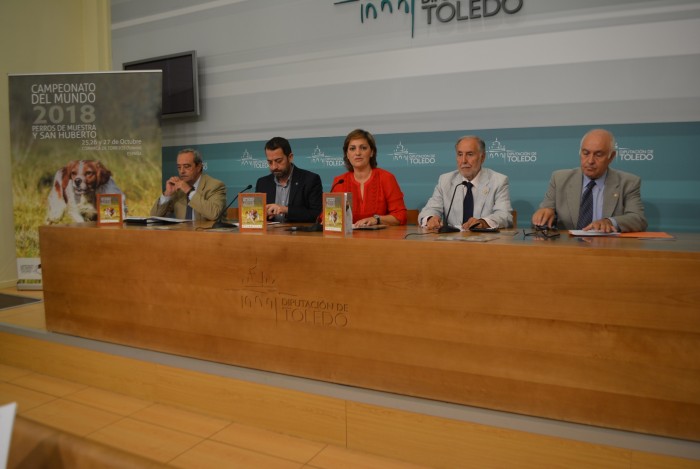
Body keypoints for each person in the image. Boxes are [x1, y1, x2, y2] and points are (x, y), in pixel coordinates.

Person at [531, 128, 647, 233]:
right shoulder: (559, 178)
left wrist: (610, 222)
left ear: (611, 157)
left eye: (598, 154)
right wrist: (543, 216)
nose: (590, 160)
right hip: (568, 249)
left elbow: (638, 219)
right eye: (585, 153)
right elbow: (546, 211)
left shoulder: (628, 182)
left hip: (608, 250)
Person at [419, 136, 513, 230]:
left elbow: (504, 215)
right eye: (460, 154)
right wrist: (430, 218)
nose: (463, 160)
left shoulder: (498, 181)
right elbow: (430, 209)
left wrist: (483, 222)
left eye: (470, 154)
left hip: (484, 240)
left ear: (482, 157)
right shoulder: (445, 180)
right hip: (451, 242)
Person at [331, 129, 407, 227]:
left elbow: (400, 216)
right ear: (347, 154)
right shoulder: (340, 181)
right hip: (348, 240)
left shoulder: (386, 178)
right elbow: (327, 215)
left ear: (372, 152)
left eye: (363, 148)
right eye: (352, 148)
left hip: (380, 239)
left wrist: (376, 219)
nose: (357, 153)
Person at [255, 137, 323, 223]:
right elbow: (257, 216)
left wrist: (285, 210)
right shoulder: (262, 183)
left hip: (299, 235)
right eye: (270, 162)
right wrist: (262, 213)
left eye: (278, 161)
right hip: (270, 235)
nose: (274, 167)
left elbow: (316, 214)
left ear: (290, 157)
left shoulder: (310, 180)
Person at [151, 148, 226, 221]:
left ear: (199, 167)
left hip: (207, 233)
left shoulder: (215, 185)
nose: (182, 171)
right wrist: (167, 194)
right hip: (183, 232)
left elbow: (214, 214)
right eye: (179, 167)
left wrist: (189, 191)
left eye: (186, 166)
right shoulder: (178, 189)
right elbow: (154, 217)